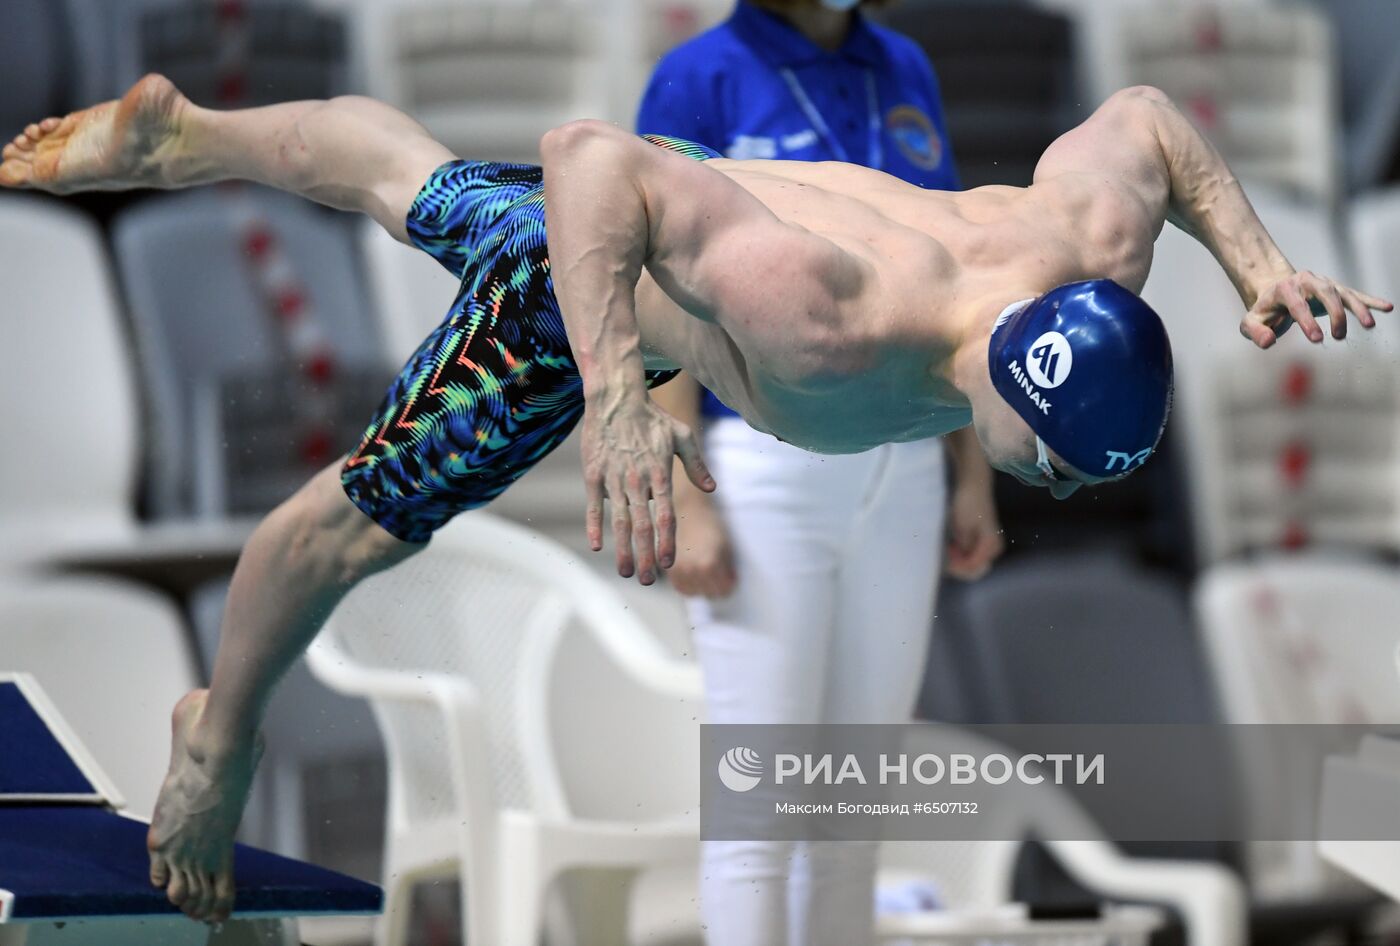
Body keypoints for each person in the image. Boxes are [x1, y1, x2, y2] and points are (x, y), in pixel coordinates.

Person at [1, 74, 1389, 923]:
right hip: (588, 290)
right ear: (1016, 397)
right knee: (349, 523)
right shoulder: (824, 310)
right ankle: (216, 739)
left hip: (690, 237)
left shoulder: (1090, 245)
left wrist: (1256, 262)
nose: (1061, 494)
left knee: (407, 178)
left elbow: (1147, 118)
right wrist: (613, 396)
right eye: (1059, 465)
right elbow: (587, 155)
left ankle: (191, 133)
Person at [635, 3, 1000, 943]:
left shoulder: (905, 66)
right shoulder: (700, 76)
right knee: (759, 814)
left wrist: (971, 476)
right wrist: (688, 496)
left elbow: (958, 282)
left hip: (907, 465)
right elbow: (657, 291)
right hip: (766, 468)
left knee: (851, 817)